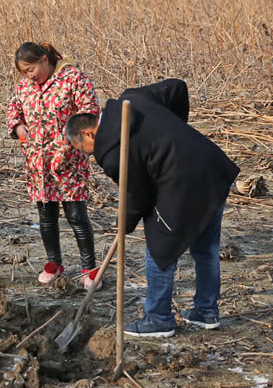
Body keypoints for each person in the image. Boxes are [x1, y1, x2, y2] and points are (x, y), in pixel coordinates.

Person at [64, 79, 240, 338]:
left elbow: (138, 196)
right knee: (206, 249)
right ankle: (205, 312)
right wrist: (176, 133)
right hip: (212, 168)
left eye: (82, 149)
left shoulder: (112, 154)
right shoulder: (132, 99)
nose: (87, 155)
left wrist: (126, 223)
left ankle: (159, 320)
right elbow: (177, 87)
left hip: (183, 184)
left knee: (158, 252)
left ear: (88, 133)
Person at [6, 42, 101, 289]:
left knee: (76, 215)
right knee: (46, 215)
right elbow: (13, 111)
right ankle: (54, 264)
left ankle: (89, 270)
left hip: (69, 161)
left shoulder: (73, 78)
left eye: (31, 68)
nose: (29, 75)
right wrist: (20, 132)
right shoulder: (25, 85)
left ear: (45, 59)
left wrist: (68, 148)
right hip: (38, 163)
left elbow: (89, 115)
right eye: (24, 71)